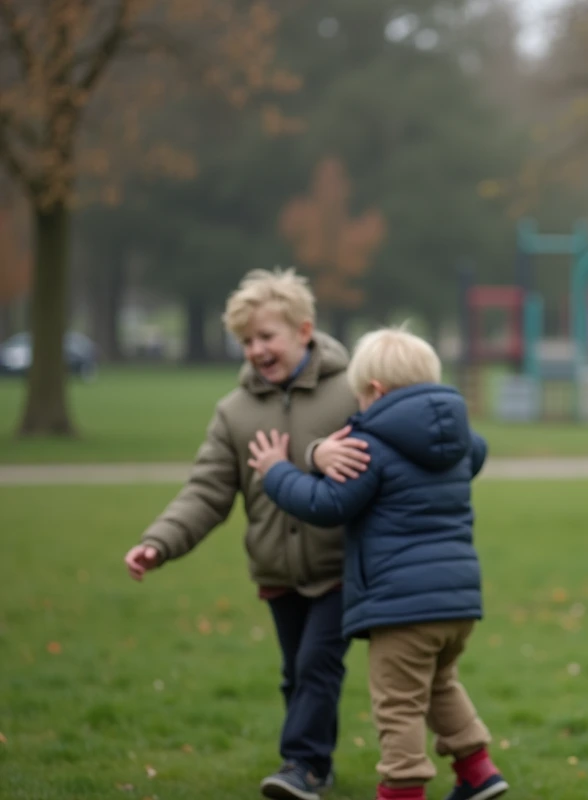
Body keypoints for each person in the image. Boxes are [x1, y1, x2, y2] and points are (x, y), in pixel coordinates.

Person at [122, 268, 365, 800]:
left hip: (340, 566)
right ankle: (317, 765)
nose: (255, 350)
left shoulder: (350, 392)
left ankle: (300, 765)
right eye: (247, 340)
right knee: (295, 673)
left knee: (315, 667)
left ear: (304, 330)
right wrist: (159, 541)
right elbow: (206, 491)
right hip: (277, 569)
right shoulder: (234, 412)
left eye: (266, 336)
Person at [247, 327, 507, 800]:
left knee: (398, 704)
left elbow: (326, 504)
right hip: (459, 602)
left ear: (376, 392)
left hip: (401, 607)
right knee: (439, 684)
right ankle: (479, 772)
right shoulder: (459, 439)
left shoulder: (369, 446)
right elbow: (478, 454)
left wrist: (277, 471)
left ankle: (402, 788)